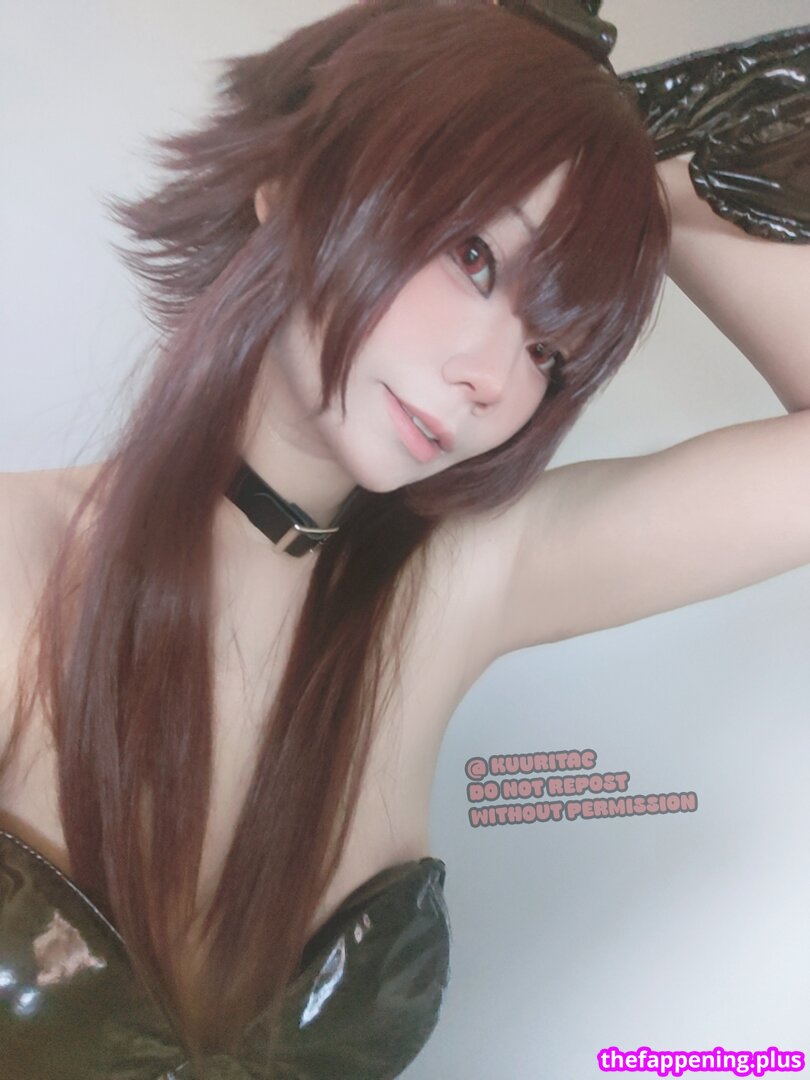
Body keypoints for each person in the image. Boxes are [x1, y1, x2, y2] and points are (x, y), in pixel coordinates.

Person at [0, 1, 807, 1077]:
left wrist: (634, 156)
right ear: (292, 182)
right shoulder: (16, 558)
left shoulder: (454, 584)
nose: (494, 377)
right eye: (473, 255)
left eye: (552, 348)